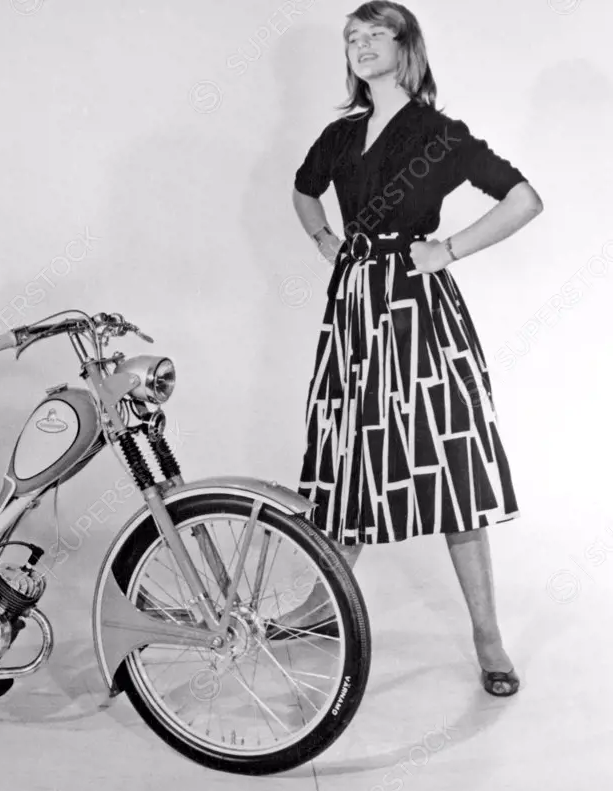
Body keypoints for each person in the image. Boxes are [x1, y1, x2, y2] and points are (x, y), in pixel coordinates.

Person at [282, 2, 543, 697]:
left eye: (375, 35)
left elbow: (523, 198)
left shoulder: (439, 133)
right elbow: (305, 193)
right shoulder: (340, 135)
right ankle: (319, 607)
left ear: (407, 47)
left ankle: (488, 637)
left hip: (421, 314)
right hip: (354, 310)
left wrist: (448, 249)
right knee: (348, 462)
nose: (361, 45)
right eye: (352, 37)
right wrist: (323, 240)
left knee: (452, 467)